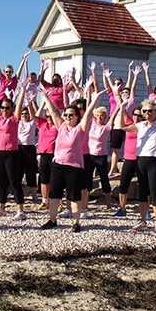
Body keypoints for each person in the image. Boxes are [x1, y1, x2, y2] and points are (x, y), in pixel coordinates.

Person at [38, 86, 107, 232]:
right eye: (66, 115)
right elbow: (54, 111)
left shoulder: (81, 129)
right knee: (54, 195)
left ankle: (76, 223)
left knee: (74, 197)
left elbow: (88, 113)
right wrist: (45, 97)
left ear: (77, 117)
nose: (68, 117)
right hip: (58, 166)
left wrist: (95, 99)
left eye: (71, 115)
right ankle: (52, 220)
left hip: (74, 168)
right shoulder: (61, 126)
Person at [117, 94, 156, 237]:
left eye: (150, 111)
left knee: (155, 192)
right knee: (142, 192)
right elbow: (122, 126)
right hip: (140, 160)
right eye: (145, 111)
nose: (147, 113)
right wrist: (122, 108)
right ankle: (143, 220)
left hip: (154, 161)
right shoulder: (140, 125)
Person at [0, 77, 27, 220]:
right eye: (2, 107)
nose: (4, 110)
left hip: (12, 154)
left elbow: (19, 105)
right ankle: (1, 208)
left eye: (7, 108)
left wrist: (24, 89)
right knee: (0, 182)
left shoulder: (14, 119)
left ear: (12, 109)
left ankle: (20, 210)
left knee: (14, 182)